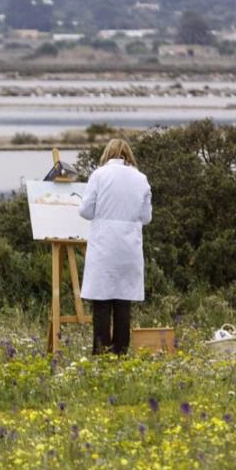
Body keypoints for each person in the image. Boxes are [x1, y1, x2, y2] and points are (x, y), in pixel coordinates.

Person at [78, 139, 152, 356]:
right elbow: (146, 217)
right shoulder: (141, 179)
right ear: (128, 155)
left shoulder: (99, 175)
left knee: (101, 303)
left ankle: (100, 354)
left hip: (104, 246)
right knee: (123, 303)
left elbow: (85, 211)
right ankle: (121, 353)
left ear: (107, 154)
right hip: (129, 247)